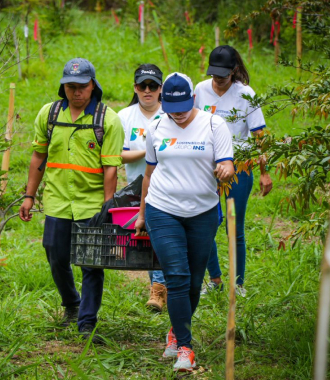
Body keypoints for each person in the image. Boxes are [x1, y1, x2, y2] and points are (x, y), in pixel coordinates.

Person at [19, 58, 124, 342]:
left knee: (91, 263)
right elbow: (38, 156)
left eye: (82, 86)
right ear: (63, 86)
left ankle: (87, 322)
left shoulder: (108, 120)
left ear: (93, 86)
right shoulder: (49, 114)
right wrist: (29, 195)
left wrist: (108, 207)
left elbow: (111, 167)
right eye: (70, 86)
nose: (76, 92)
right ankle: (71, 303)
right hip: (57, 200)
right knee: (55, 253)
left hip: (91, 203)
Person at [135, 72, 234, 371]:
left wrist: (226, 168)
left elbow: (227, 161)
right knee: (176, 276)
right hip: (162, 209)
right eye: (171, 107)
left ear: (193, 99)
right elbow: (150, 174)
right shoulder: (155, 126)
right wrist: (141, 213)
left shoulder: (214, 124)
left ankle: (175, 331)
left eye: (183, 107)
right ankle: (185, 349)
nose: (177, 114)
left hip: (203, 212)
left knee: (192, 282)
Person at [194, 45, 273, 297]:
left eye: (223, 75)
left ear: (234, 70)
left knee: (233, 227)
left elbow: (259, 135)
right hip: (206, 167)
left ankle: (238, 284)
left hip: (238, 167)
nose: (218, 80)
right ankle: (214, 280)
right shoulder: (200, 89)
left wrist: (264, 171)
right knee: (205, 225)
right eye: (214, 74)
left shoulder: (246, 94)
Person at [118, 64, 167, 312]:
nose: (147, 90)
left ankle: (158, 289)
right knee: (148, 235)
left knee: (160, 234)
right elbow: (117, 154)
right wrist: (148, 153)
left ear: (161, 89)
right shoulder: (125, 116)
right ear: (135, 88)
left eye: (153, 86)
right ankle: (158, 287)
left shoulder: (172, 113)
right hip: (138, 187)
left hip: (169, 186)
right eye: (142, 86)